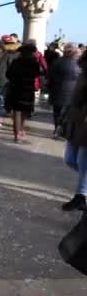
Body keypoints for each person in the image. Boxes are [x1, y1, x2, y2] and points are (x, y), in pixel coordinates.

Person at [61, 51, 87, 211]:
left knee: (83, 161)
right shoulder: (83, 70)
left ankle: (80, 196)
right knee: (70, 159)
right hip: (76, 118)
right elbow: (75, 95)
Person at [5, 43, 41, 143]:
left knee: (17, 111)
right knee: (25, 110)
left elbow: (8, 74)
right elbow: (37, 74)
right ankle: (21, 129)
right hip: (28, 89)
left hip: (16, 88)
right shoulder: (34, 63)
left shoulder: (16, 62)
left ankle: (16, 135)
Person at [49, 43, 81, 137]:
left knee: (57, 112)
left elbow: (50, 77)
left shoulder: (56, 62)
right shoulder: (78, 64)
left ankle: (56, 129)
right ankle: (62, 129)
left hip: (57, 90)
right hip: (72, 92)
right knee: (66, 113)